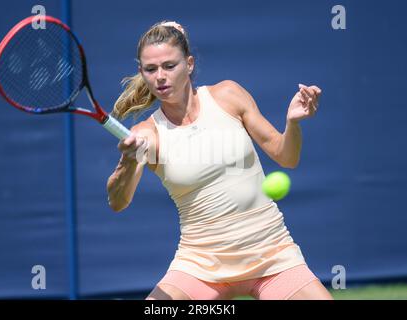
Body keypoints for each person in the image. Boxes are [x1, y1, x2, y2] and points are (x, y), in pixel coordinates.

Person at [107, 20, 333, 300]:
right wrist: (127, 163)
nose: (160, 77)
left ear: (189, 64)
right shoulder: (147, 135)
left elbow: (287, 157)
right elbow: (118, 202)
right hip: (200, 266)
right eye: (150, 69)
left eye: (169, 65)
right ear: (142, 72)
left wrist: (293, 123)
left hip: (272, 254)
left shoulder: (228, 95)